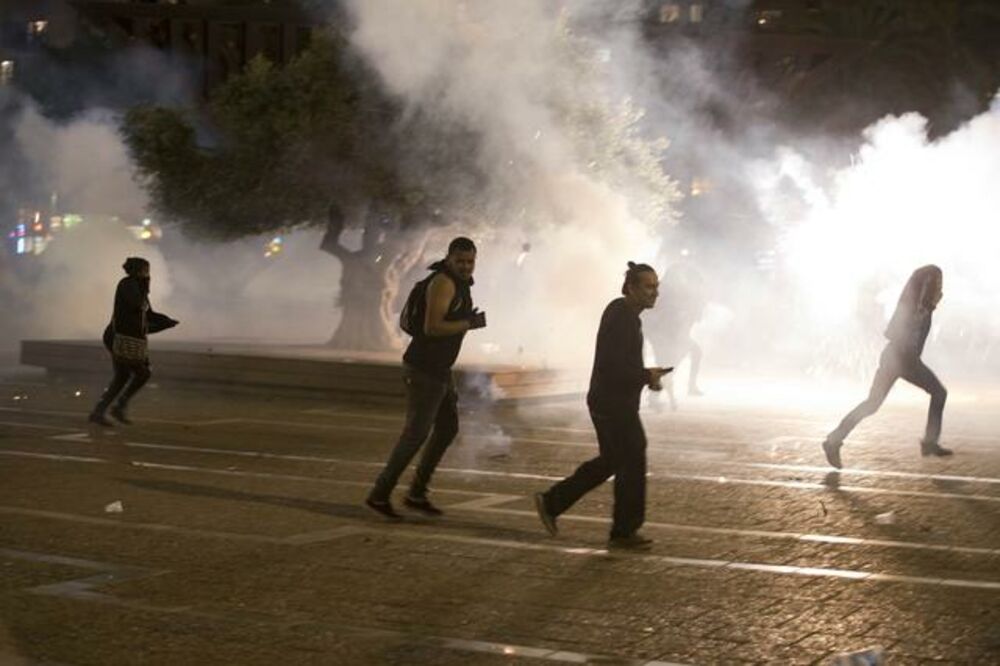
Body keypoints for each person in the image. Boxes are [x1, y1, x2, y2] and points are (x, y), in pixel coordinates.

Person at [534, 262, 671, 550]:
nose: (655, 292)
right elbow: (615, 367)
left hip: (607, 399)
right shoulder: (623, 317)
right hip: (613, 403)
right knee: (632, 456)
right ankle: (624, 530)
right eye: (648, 286)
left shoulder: (624, 313)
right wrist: (647, 376)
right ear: (631, 287)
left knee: (613, 459)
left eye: (656, 286)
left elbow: (622, 365)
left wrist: (648, 376)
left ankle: (552, 501)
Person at [366, 237, 486, 519]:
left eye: (470, 261)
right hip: (424, 370)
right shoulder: (443, 282)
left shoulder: (458, 284)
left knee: (447, 429)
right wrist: (469, 323)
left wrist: (466, 321)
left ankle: (417, 493)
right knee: (415, 435)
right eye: (461, 261)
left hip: (439, 370)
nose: (466, 266)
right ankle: (380, 494)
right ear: (449, 258)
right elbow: (432, 327)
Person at [822, 265, 951, 468]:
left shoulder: (922, 309)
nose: (940, 289)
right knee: (938, 393)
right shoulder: (917, 308)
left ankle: (834, 440)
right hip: (901, 359)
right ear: (927, 285)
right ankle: (929, 442)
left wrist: (930, 305)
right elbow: (916, 311)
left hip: (899, 358)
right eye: (937, 284)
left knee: (872, 404)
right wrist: (929, 300)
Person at [89, 257, 178, 426]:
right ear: (137, 270)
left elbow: (148, 314)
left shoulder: (138, 287)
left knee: (123, 376)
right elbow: (137, 306)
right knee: (140, 373)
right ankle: (117, 406)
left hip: (129, 338)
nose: (148, 274)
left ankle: (102, 411)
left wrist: (166, 321)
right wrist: (145, 285)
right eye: (145, 270)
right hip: (119, 337)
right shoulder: (127, 284)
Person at [647, 262, 706, 410]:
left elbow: (687, 308)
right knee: (666, 365)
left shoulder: (676, 291)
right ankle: (657, 396)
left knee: (688, 356)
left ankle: (686, 388)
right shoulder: (663, 290)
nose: (680, 278)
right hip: (663, 334)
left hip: (674, 334)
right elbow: (656, 311)